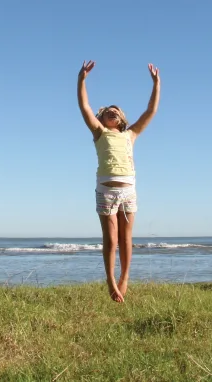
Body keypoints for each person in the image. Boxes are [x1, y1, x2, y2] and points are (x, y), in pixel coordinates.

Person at [77, 60, 160, 303]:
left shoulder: (130, 135)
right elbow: (84, 106)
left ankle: (124, 278)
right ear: (100, 118)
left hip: (129, 191)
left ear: (122, 118)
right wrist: (81, 80)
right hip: (106, 190)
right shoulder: (99, 133)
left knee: (126, 238)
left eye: (115, 110)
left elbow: (150, 111)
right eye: (106, 111)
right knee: (111, 239)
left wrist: (156, 84)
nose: (111, 111)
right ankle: (110, 281)